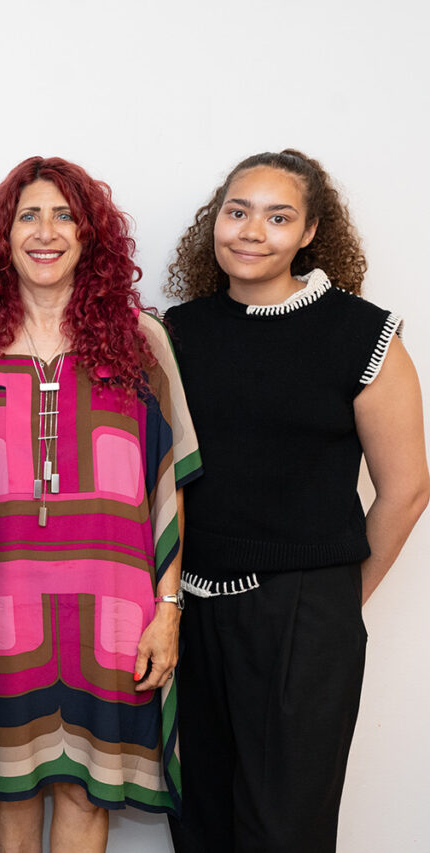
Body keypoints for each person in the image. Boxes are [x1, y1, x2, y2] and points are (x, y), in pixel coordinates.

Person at [163, 149, 429, 852]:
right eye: (237, 211)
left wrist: (337, 600)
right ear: (213, 222)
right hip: (188, 611)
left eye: (278, 216)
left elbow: (406, 490)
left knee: (284, 830)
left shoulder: (360, 332)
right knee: (199, 820)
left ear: (311, 232)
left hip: (305, 611)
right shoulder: (178, 332)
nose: (252, 231)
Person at [0, 156, 201, 853]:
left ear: (91, 236)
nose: (46, 231)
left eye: (64, 215)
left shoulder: (140, 341)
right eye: (29, 214)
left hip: (115, 606)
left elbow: (167, 485)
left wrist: (168, 612)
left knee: (88, 790)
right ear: (4, 235)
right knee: (13, 788)